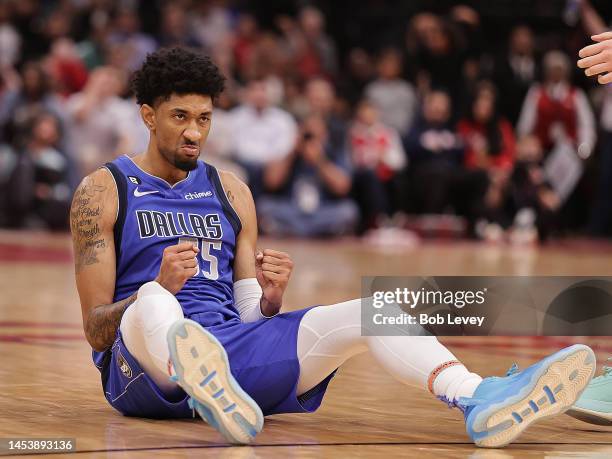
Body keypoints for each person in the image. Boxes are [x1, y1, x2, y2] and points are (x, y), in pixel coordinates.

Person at [70, 47, 596, 447]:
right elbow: (95, 328)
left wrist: (271, 299)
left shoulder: (231, 191)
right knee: (153, 302)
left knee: (375, 311)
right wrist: (156, 287)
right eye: (180, 117)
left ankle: (476, 398)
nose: (194, 133)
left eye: (203, 119)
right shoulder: (105, 189)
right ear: (147, 116)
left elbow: (249, 315)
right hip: (140, 371)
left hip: (231, 352)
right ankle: (204, 384)